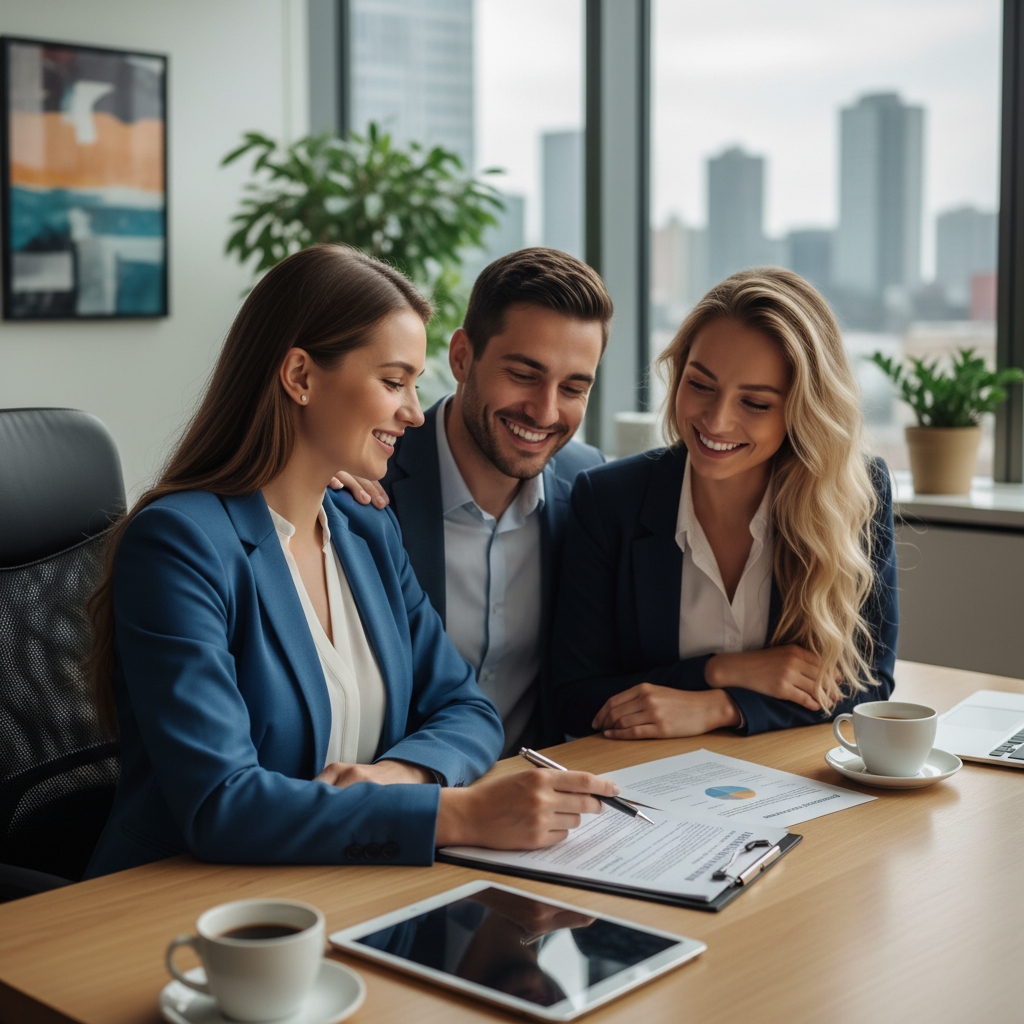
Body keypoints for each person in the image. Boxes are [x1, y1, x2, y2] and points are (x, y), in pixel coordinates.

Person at [84, 244, 618, 878]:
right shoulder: (180, 544)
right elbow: (220, 802)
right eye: (393, 382)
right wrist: (456, 813)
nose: (415, 411)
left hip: (345, 885)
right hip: (184, 909)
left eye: (415, 385)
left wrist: (399, 776)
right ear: (301, 376)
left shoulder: (364, 527)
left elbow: (468, 708)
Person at [551, 267, 898, 740]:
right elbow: (573, 699)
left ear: (802, 411)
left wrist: (722, 707)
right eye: (700, 385)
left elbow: (868, 683)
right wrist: (721, 671)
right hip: (646, 781)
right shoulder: (608, 499)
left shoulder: (857, 493)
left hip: (788, 778)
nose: (716, 420)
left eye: (754, 403)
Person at [334, 249, 613, 754]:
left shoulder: (591, 487)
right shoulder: (360, 481)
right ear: (461, 357)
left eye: (573, 387)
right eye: (525, 375)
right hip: (403, 800)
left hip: (539, 802)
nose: (545, 411)